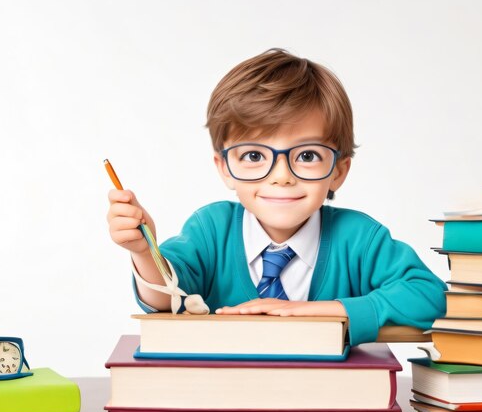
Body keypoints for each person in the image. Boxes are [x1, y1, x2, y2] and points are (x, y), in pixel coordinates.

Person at [106, 48, 446, 346]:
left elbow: (429, 296)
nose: (281, 176)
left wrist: (322, 312)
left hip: (329, 403)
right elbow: (167, 297)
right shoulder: (211, 230)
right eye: (254, 156)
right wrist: (143, 251)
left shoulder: (359, 238)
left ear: (339, 171)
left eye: (308, 155)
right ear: (224, 168)